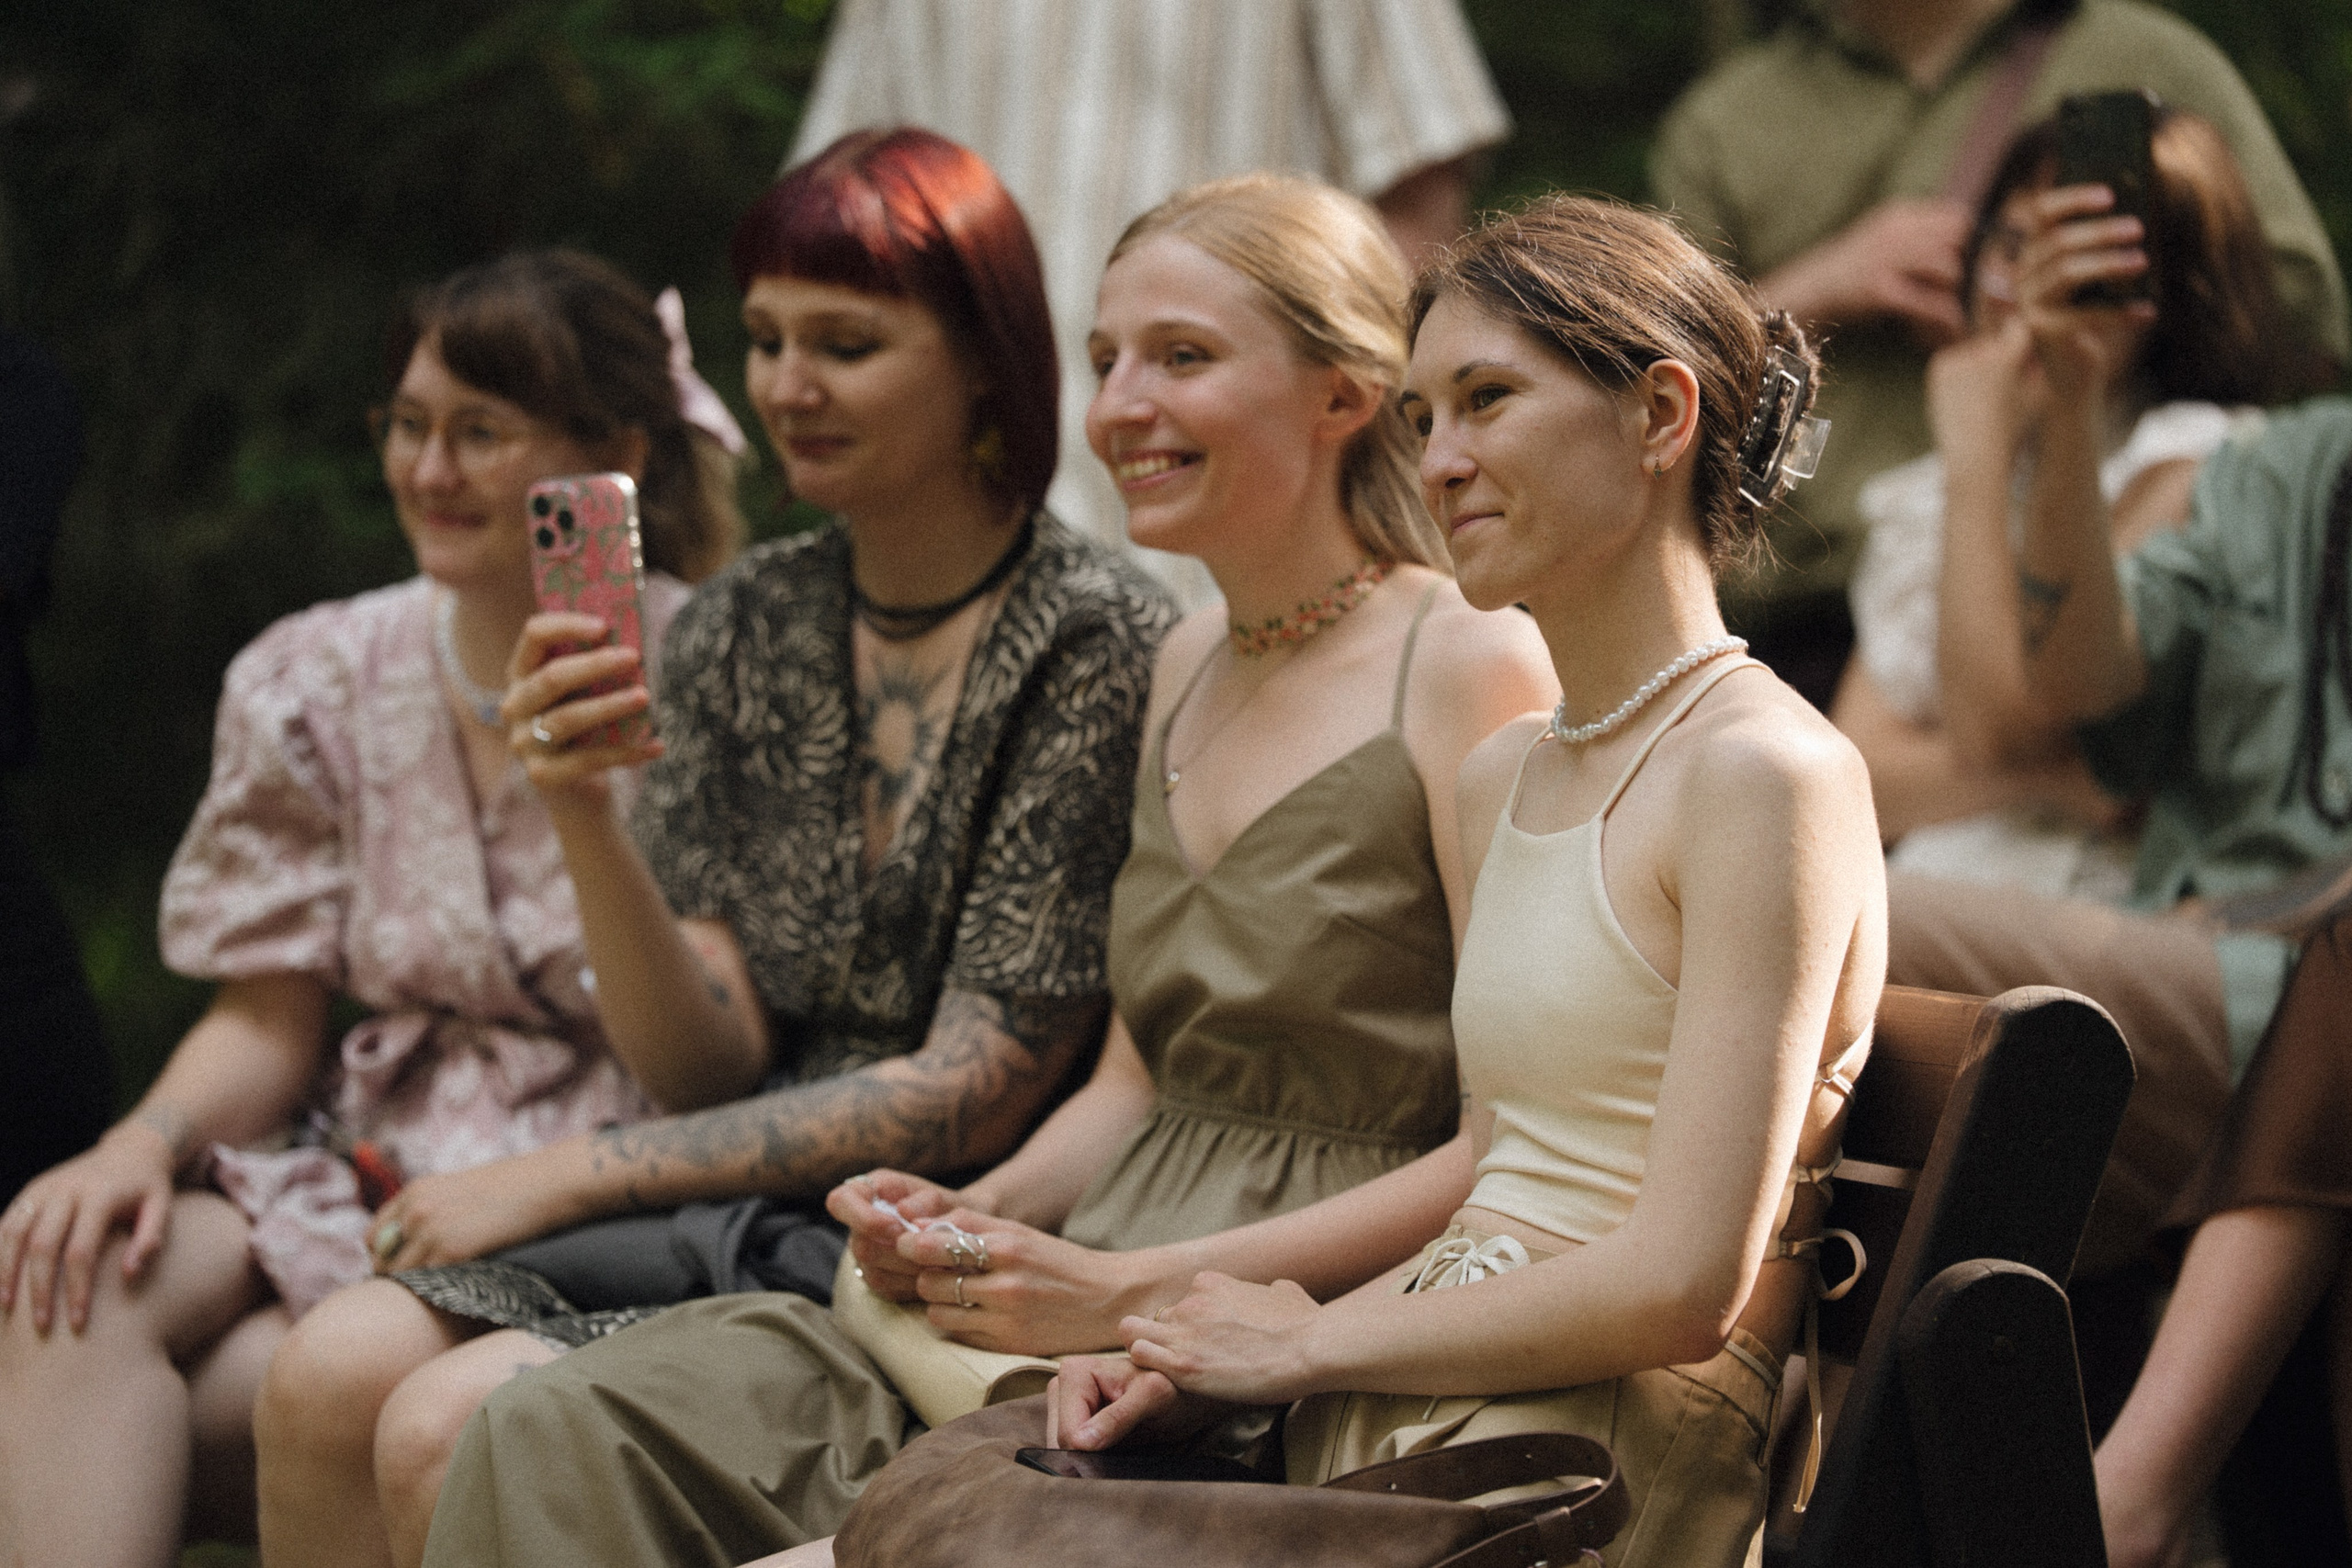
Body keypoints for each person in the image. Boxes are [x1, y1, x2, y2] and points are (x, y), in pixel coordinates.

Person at [413, 171, 1558, 1568]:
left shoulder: (1470, 663)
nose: (1120, 406)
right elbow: (1137, 1079)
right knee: (544, 1427)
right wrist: (979, 1212)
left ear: (1346, 391)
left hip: (1269, 1336)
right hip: (1075, 1279)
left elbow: (1504, 1142)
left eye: (1181, 358)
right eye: (1103, 361)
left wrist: (1135, 1287)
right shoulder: (1185, 659)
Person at [835, 192, 1888, 1568]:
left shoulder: (1766, 774)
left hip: (1575, 1470)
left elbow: (1686, 1280)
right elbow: (1505, 1175)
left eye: (1489, 399)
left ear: (1660, 416)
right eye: (1426, 415)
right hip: (1395, 1420)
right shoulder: (1510, 770)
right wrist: (1195, 1358)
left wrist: (1301, 1334)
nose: (1441, 459)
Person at [250, 128, 1173, 1568]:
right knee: (321, 1371)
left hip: (911, 1229)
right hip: (724, 1193)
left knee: (444, 1420)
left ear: (985, 360)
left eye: (848, 343)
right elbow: (709, 1052)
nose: (789, 386)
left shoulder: (1097, 637)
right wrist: (580, 808)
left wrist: (567, 1169)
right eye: (766, 339)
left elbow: (972, 1089)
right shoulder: (751, 620)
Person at [0, 246, 738, 1568]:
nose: (429, 469)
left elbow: (711, 1058)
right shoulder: (321, 670)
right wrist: (137, 1144)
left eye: (478, 431)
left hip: (600, 1182)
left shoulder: (722, 670)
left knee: (331, 1385)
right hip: (374, 1159)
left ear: (611, 451)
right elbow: (267, 1017)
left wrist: (586, 798)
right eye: (407, 425)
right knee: (62, 1276)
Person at [1649, 0, 2346, 706]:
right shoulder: (1724, 118)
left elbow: (2290, 311)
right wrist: (1819, 283)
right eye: (2007, 248)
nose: (2014, 278)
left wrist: (2078, 311)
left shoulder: (2144, 57)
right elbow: (1650, 385)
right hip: (1788, 611)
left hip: (2091, 560)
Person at [788, 0, 1513, 600]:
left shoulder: (1449, 659)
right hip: (990, 536)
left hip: (1263, 538)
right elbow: (850, 213)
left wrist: (1396, 471)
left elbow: (1415, 196)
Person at [1836, 107, 2295, 900]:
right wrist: (2050, 782)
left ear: (2170, 295)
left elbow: (2006, 719)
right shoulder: (1927, 492)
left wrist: (1978, 461)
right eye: (2015, 246)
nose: (2031, 291)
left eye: (2085, 263)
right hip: (1934, 894)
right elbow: (1856, 773)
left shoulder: (2204, 459)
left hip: (2105, 915)